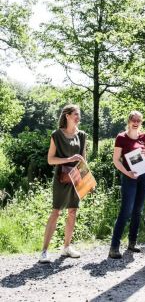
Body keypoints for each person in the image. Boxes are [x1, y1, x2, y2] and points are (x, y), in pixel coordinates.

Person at [39, 104, 86, 263]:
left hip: (76, 177)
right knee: (56, 212)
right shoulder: (56, 135)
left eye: (79, 114)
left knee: (73, 211)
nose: (78, 117)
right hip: (61, 177)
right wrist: (69, 159)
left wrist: (86, 182)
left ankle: (66, 247)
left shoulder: (82, 135)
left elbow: (83, 160)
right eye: (75, 114)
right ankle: (44, 251)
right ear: (67, 116)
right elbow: (50, 159)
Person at [109, 111, 145, 259]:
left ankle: (132, 243)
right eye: (133, 120)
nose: (136, 122)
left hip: (144, 175)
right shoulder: (121, 137)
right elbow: (116, 160)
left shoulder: (144, 137)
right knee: (126, 210)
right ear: (129, 121)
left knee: (138, 210)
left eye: (139, 120)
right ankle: (114, 247)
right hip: (129, 177)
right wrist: (127, 173)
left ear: (141, 122)